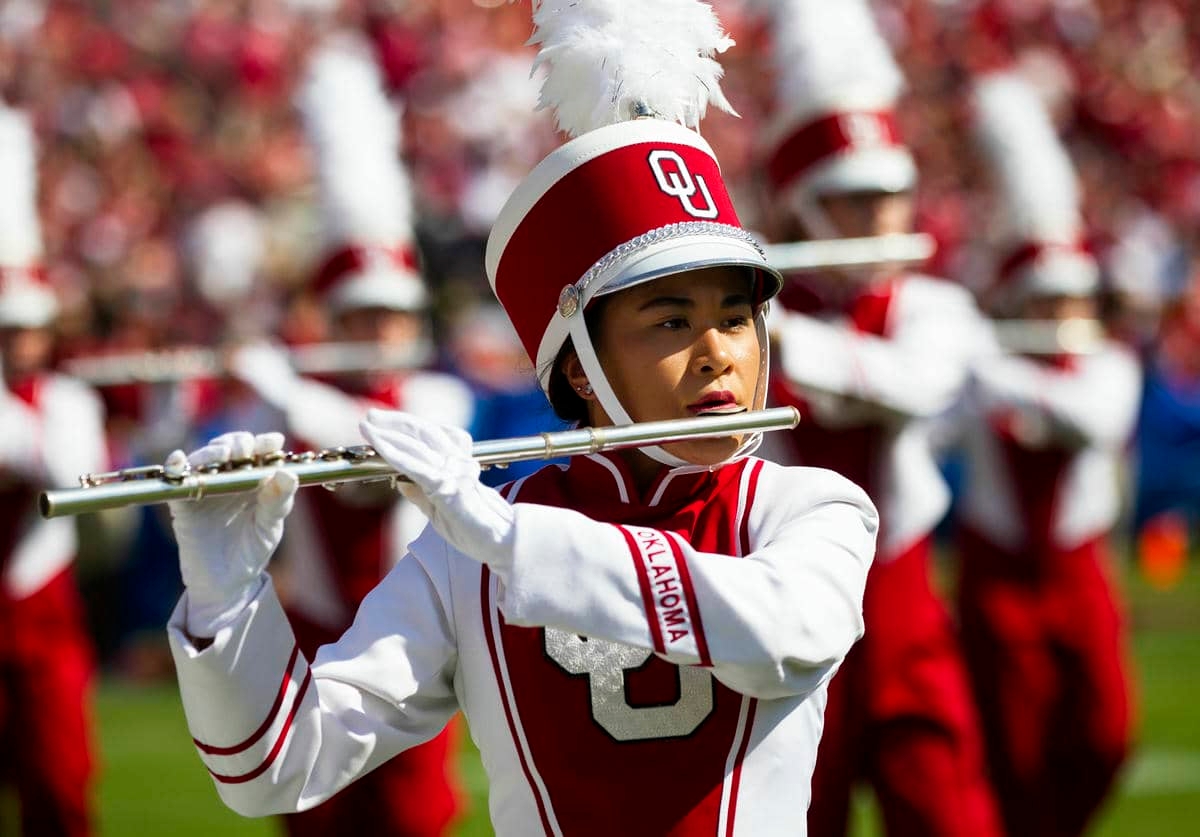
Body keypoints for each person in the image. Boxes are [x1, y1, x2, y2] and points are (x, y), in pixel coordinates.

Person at [162, 2, 877, 834]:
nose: (721, 353)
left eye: (735, 316)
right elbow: (276, 769)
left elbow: (783, 633)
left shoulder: (813, 508)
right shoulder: (463, 555)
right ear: (581, 363)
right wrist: (226, 598)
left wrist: (505, 536)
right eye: (673, 321)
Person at [749, 1, 1002, 834]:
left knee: (944, 804)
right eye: (854, 201)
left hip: (903, 598)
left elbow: (917, 383)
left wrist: (778, 336)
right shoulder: (755, 311)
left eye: (892, 197)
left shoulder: (935, 305)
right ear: (802, 208)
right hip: (782, 598)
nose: (882, 222)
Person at [223, 36, 471, 836]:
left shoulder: (436, 391)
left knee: (412, 818)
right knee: (314, 817)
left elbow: (375, 459)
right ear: (331, 322)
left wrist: (286, 387)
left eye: (391, 316)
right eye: (360, 317)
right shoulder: (293, 401)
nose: (377, 330)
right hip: (313, 635)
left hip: (413, 642)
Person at [953, 70, 1138, 837]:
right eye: (1046, 301)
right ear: (1018, 301)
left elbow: (1093, 417)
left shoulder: (1105, 366)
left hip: (1077, 566)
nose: (1062, 316)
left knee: (1107, 732)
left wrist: (997, 375)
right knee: (1015, 755)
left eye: (1072, 301)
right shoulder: (979, 366)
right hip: (998, 572)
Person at [0, 103, 107, 837]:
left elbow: (68, 472)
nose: (19, 342)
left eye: (28, 329)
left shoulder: (69, 397)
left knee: (58, 786)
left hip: (44, 626)